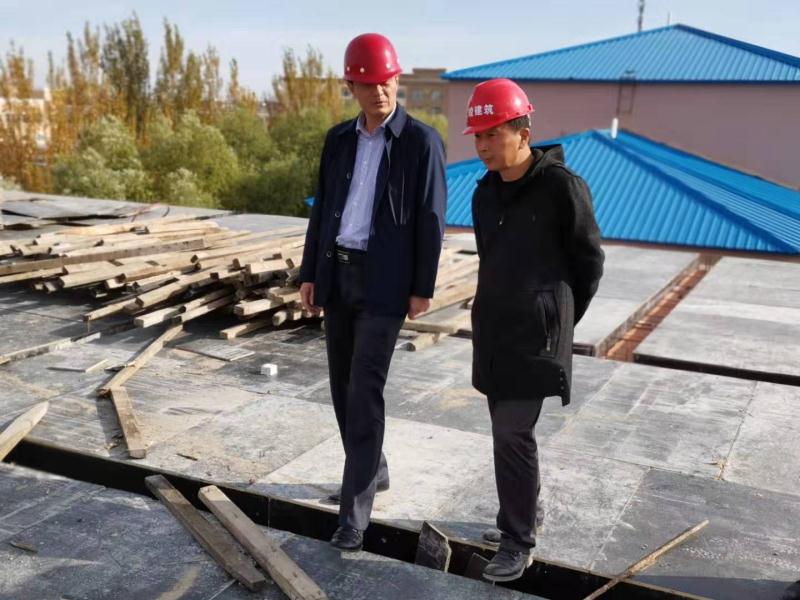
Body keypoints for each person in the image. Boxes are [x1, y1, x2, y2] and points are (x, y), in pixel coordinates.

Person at [298, 33, 446, 552]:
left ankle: (353, 517)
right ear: (351, 86)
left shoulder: (421, 143)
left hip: (386, 285)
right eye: (369, 84)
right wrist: (310, 272)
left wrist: (422, 286)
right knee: (342, 388)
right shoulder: (338, 140)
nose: (380, 91)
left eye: (387, 81)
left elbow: (431, 218)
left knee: (364, 391)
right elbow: (323, 210)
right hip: (338, 275)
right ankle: (374, 468)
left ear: (397, 79)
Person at [465, 78, 604, 581]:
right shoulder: (484, 193)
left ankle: (517, 540)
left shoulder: (562, 187)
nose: (483, 146)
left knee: (512, 432)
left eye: (493, 134)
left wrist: (558, 319)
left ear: (523, 132)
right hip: (496, 332)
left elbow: (588, 262)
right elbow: (489, 260)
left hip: (536, 336)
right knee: (508, 435)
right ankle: (525, 510)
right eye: (478, 137)